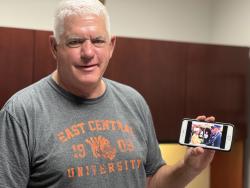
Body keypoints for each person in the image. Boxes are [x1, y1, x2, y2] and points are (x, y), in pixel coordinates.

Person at [0, 0, 215, 187]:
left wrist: (189, 167)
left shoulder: (133, 101)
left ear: (111, 46)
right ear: (54, 47)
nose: (88, 53)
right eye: (75, 41)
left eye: (98, 41)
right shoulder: (21, 113)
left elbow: (151, 181)